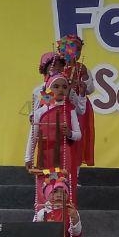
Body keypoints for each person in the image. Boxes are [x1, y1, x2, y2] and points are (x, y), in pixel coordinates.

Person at [24, 68, 82, 208]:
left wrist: (69, 133)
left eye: (64, 87)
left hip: (64, 156)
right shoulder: (40, 112)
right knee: (46, 183)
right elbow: (33, 137)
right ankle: (43, 215)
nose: (61, 90)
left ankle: (65, 220)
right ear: (49, 90)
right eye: (56, 86)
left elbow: (78, 135)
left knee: (63, 184)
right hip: (45, 155)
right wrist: (28, 158)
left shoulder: (70, 109)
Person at [33, 171, 92, 237]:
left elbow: (76, 235)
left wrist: (75, 219)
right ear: (47, 194)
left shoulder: (70, 210)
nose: (59, 195)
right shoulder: (42, 212)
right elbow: (35, 234)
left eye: (63, 192)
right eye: (55, 191)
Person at [57, 33, 95, 169]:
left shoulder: (82, 68)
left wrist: (82, 84)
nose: (76, 53)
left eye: (79, 50)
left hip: (79, 108)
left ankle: (75, 175)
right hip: (59, 108)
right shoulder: (57, 68)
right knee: (58, 139)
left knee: (76, 141)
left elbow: (91, 89)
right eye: (72, 48)